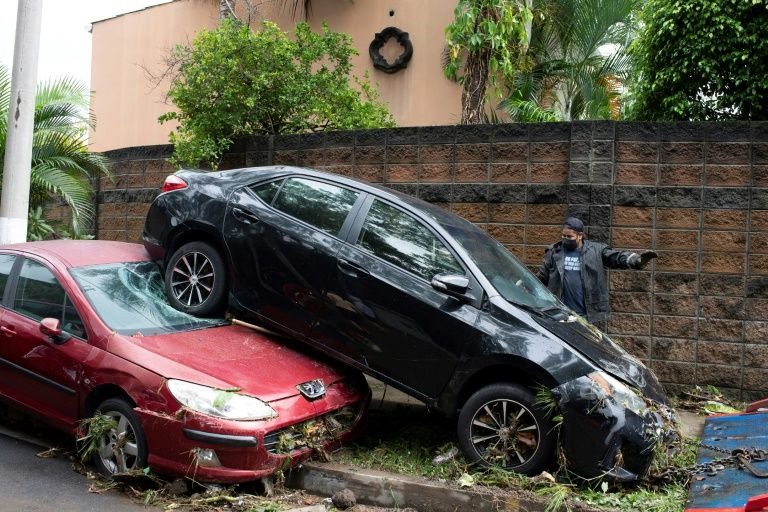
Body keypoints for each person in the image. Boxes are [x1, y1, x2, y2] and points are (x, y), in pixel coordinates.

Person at [536, 217, 657, 325]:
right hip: (561, 314)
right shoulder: (554, 251)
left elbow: (615, 257)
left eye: (569, 237)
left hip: (588, 315)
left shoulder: (596, 250)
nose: (565, 239)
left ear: (580, 235)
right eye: (563, 236)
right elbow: (541, 277)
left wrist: (636, 260)